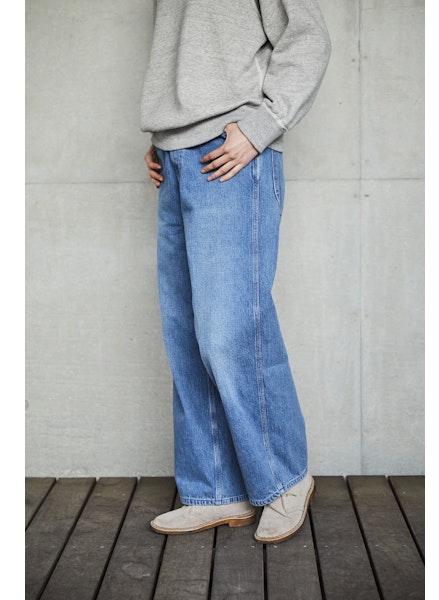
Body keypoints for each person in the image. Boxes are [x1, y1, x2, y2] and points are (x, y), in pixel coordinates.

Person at [140, 0, 331, 544]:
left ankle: (285, 479)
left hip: (229, 151)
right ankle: (215, 489)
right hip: (173, 156)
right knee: (187, 335)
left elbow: (308, 36)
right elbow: (188, 57)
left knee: (231, 332)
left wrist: (263, 125)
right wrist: (163, 137)